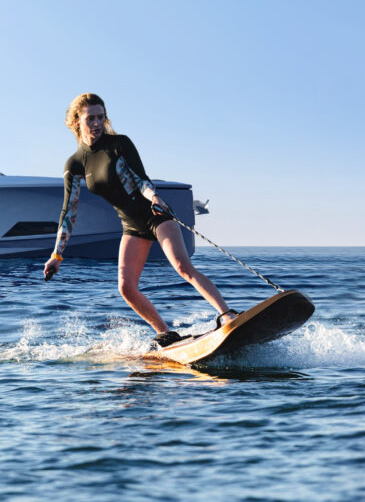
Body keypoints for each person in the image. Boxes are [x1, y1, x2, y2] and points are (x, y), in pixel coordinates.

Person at [43, 93, 236, 348]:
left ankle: (226, 315)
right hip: (131, 226)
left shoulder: (119, 144)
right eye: (91, 118)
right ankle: (167, 334)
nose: (97, 123)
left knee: (182, 266)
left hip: (155, 214)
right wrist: (57, 255)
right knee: (126, 287)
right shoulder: (76, 163)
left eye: (101, 117)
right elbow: (69, 211)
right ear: (77, 121)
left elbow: (141, 179)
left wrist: (155, 197)